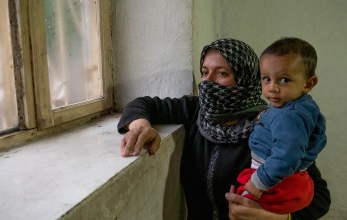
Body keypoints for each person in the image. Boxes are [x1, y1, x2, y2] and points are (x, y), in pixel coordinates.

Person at [117, 38, 330, 220]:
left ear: (245, 78)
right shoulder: (197, 111)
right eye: (204, 72)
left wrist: (278, 218)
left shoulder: (273, 124)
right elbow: (141, 105)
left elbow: (320, 198)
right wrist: (140, 126)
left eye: (221, 74)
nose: (208, 82)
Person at [236, 37, 327, 215]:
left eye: (284, 80)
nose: (272, 88)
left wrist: (258, 182)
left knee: (244, 208)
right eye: (266, 79)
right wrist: (267, 117)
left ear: (308, 84)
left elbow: (287, 156)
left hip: (276, 180)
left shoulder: (289, 117)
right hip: (283, 176)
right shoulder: (294, 105)